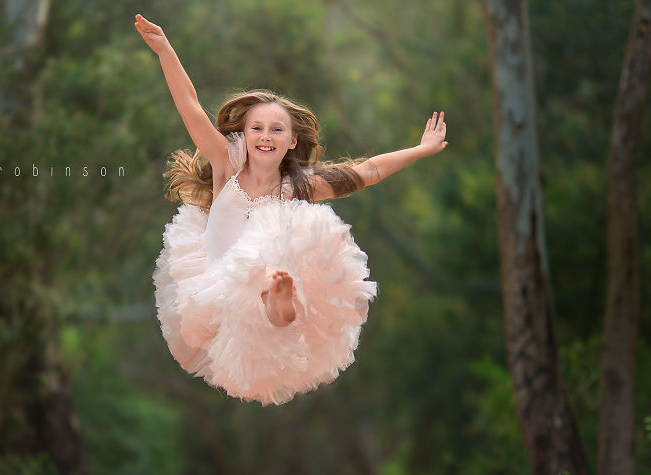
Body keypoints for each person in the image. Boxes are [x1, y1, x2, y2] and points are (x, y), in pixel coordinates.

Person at [135, 14, 448, 405]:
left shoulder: (299, 187)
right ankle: (274, 291)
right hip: (214, 275)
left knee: (277, 290)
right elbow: (190, 108)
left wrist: (420, 149)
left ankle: (279, 297)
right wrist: (165, 50)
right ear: (244, 136)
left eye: (276, 130)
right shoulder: (226, 165)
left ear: (291, 141)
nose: (266, 136)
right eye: (257, 128)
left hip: (265, 283)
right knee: (258, 275)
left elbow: (367, 171)